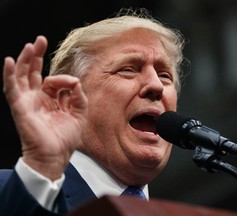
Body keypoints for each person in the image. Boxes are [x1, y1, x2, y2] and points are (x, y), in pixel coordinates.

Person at [0, 7, 187, 216]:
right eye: (128, 69)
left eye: (164, 75)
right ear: (67, 102)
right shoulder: (10, 193)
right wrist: (42, 168)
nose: (156, 86)